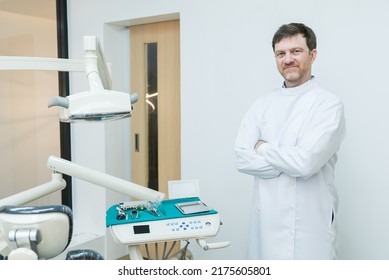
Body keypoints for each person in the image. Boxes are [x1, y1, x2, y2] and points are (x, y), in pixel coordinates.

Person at [234, 23, 346, 259]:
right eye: (281, 53)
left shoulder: (328, 105)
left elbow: (306, 163)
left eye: (296, 51)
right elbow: (242, 158)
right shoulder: (261, 105)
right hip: (266, 225)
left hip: (310, 228)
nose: (288, 59)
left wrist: (262, 147)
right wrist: (290, 162)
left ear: (312, 55)